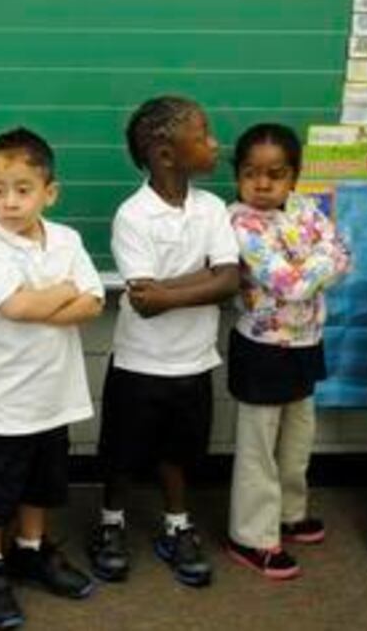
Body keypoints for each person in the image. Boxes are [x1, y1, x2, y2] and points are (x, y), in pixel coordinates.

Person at [91, 95, 239, 588]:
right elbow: (144, 302)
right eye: (203, 135)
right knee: (122, 451)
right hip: (141, 362)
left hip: (193, 362)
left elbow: (229, 282)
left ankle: (178, 525)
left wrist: (170, 289)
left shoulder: (213, 208)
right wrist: (200, 282)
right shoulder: (133, 216)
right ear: (166, 153)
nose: (215, 144)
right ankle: (111, 523)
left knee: (181, 451)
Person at [0, 128, 102, 630]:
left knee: (42, 483)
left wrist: (53, 301)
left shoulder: (67, 239)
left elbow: (94, 301)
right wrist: (64, 291)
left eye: (23, 189)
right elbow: (17, 307)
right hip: (5, 399)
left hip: (55, 394)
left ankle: (30, 550)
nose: (10, 201)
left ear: (49, 192)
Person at [223, 124, 350, 580]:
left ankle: (289, 514)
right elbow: (289, 283)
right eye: (251, 173)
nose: (262, 184)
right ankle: (252, 535)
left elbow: (342, 252)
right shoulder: (240, 221)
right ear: (238, 176)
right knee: (259, 444)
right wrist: (315, 265)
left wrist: (312, 265)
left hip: (306, 341)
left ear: (293, 177)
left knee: (299, 435)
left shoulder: (304, 209)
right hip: (262, 348)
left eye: (274, 174)